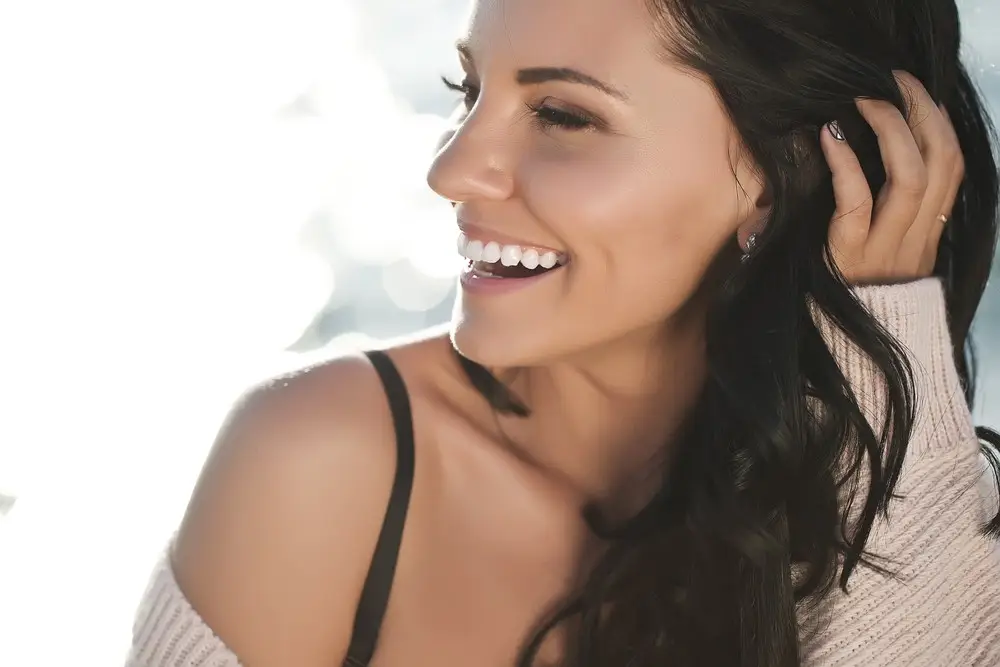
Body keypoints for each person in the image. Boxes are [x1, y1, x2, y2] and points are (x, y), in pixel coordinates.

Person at [126, 0, 1000, 665]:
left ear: (784, 176)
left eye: (562, 116)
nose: (451, 170)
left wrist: (888, 367)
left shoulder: (922, 507)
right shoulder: (322, 463)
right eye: (468, 92)